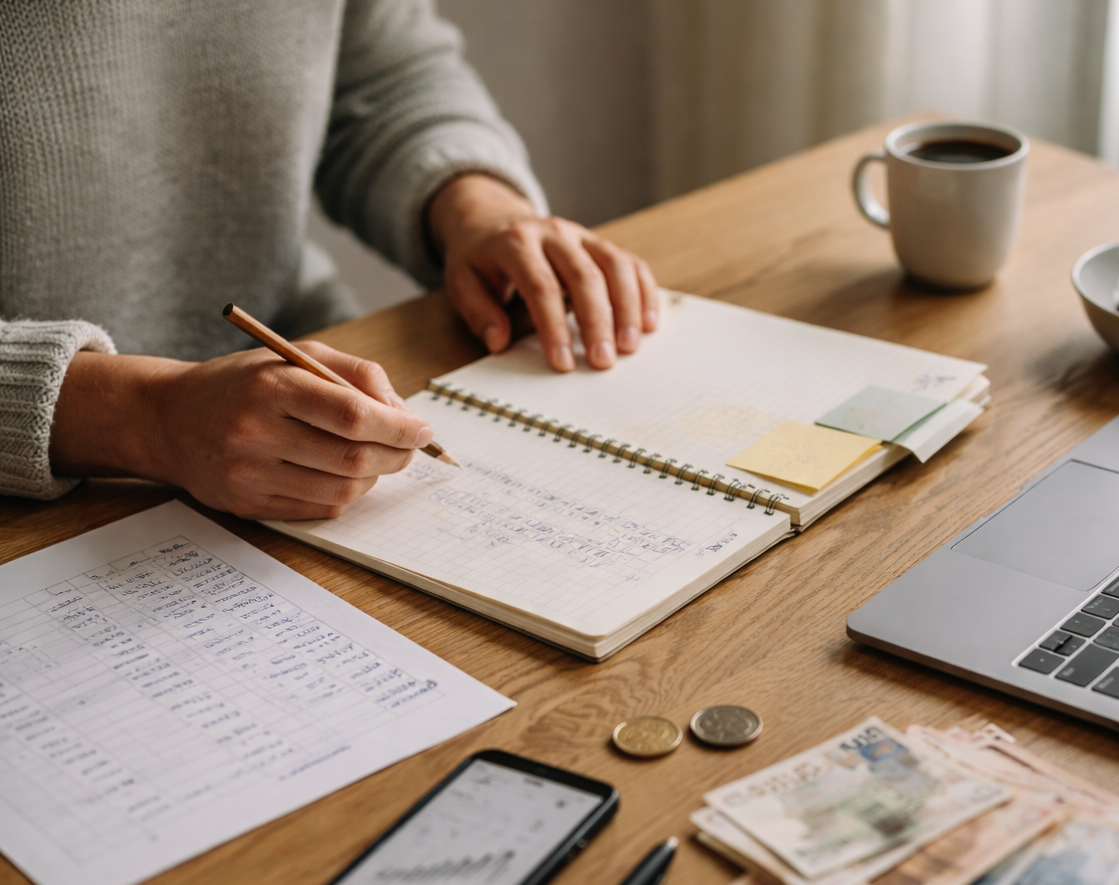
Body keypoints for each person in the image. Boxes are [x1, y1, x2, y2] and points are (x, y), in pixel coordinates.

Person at [0, 0, 659, 520]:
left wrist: (479, 208)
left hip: (303, 359)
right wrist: (141, 418)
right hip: (47, 491)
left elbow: (386, 76)